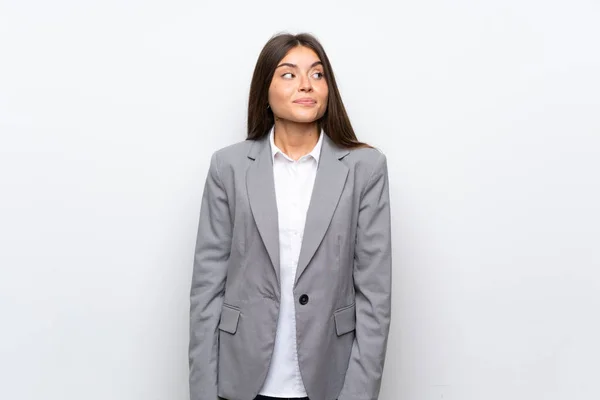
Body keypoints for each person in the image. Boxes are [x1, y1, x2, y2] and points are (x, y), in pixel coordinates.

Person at [189, 32, 392, 400]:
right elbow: (207, 290)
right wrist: (203, 391)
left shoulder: (366, 168)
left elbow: (375, 299)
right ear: (264, 90)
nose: (306, 85)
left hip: (330, 376)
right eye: (288, 74)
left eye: (317, 74)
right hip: (242, 378)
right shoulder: (229, 167)